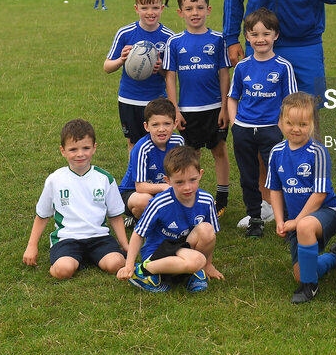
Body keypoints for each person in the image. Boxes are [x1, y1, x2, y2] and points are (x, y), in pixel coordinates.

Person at [23, 119, 127, 279]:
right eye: (73, 149)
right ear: (63, 151)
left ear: (94, 148)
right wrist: (31, 246)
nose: (80, 154)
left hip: (98, 237)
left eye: (86, 148)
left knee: (117, 264)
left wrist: (125, 245)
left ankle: (92, 257)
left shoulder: (105, 178)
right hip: (67, 239)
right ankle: (69, 261)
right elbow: (42, 215)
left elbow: (115, 215)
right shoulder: (54, 180)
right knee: (63, 271)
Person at [266, 92, 336, 304]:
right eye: (290, 123)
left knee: (305, 227)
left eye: (303, 124)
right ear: (280, 122)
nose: (296, 129)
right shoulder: (277, 152)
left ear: (312, 125)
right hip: (296, 219)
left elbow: (319, 195)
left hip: (327, 212)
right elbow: (275, 190)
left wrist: (297, 221)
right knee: (302, 271)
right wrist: (280, 220)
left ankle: (310, 287)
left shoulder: (317, 152)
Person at [227, 8, 297, 237]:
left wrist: (279, 128)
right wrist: (234, 124)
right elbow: (232, 97)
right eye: (254, 34)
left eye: (266, 33)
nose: (260, 39)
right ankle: (255, 218)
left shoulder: (283, 66)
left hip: (271, 131)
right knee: (248, 176)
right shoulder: (242, 66)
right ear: (247, 36)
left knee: (279, 174)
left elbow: (289, 101)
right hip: (244, 130)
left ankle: (286, 219)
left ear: (276, 35)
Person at [117, 144, 222, 293]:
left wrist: (209, 265)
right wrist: (128, 265)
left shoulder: (207, 200)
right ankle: (143, 270)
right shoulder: (160, 203)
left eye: (192, 180)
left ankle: (197, 272)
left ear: (200, 174)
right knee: (197, 260)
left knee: (207, 230)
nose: (187, 187)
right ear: (167, 180)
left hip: (183, 247)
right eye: (179, 182)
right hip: (159, 251)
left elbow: (210, 237)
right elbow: (138, 233)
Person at [164, 0, 232, 216]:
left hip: (215, 109)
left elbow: (224, 73)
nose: (195, 12)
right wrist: (175, 109)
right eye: (189, 8)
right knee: (190, 156)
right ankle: (192, 197)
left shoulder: (218, 39)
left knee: (219, 150)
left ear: (208, 9)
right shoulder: (174, 42)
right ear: (180, 12)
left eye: (200, 7)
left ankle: (221, 200)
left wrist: (224, 107)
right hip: (187, 110)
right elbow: (170, 76)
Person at [104, 0, 175, 151]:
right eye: (144, 8)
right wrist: (122, 60)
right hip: (129, 98)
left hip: (157, 100)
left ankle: (158, 176)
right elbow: (107, 67)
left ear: (162, 8)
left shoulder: (169, 37)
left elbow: (171, 75)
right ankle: (137, 177)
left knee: (159, 142)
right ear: (136, 8)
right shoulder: (125, 33)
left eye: (155, 7)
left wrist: (160, 68)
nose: (150, 12)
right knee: (134, 144)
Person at [117, 98, 185, 221]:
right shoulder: (142, 148)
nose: (161, 129)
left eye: (167, 124)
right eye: (155, 124)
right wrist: (165, 188)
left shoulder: (178, 142)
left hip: (162, 188)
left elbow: (181, 174)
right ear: (146, 126)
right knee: (144, 201)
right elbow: (140, 187)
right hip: (132, 192)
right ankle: (137, 219)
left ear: (175, 124)